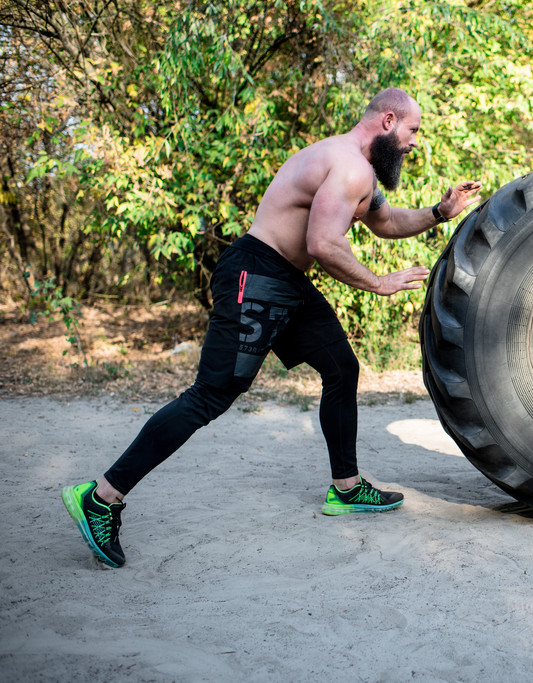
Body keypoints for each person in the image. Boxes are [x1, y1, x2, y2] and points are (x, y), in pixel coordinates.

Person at [61, 88, 482, 568]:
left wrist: (439, 214)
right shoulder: (347, 167)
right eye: (412, 131)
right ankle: (103, 496)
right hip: (257, 275)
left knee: (341, 367)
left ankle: (346, 489)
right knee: (211, 395)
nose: (413, 143)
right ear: (388, 120)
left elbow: (383, 221)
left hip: (283, 279)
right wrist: (379, 282)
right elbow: (323, 243)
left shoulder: (351, 165)